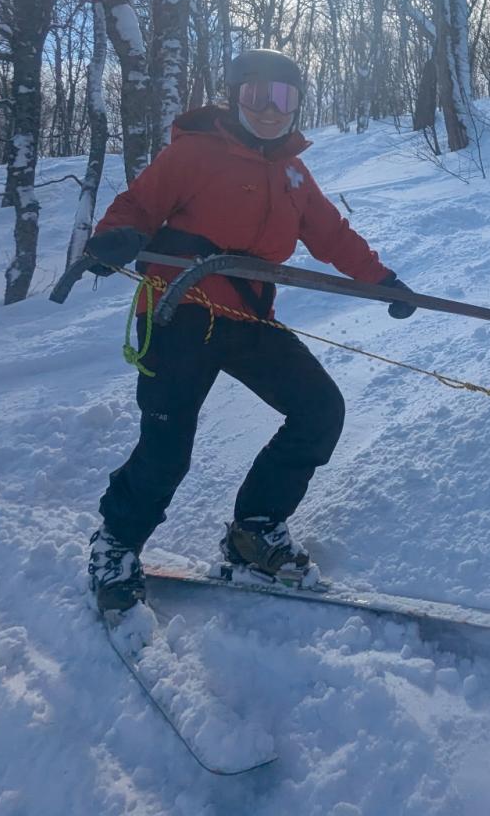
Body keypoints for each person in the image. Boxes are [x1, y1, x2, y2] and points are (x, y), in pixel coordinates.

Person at [81, 48, 416, 614]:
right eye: (255, 95)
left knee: (319, 410)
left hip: (246, 318)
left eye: (283, 97)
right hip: (177, 314)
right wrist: (115, 235)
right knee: (167, 451)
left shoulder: (291, 171)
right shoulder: (194, 153)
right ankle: (115, 545)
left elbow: (330, 234)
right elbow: (138, 205)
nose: (269, 109)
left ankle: (254, 530)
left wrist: (381, 279)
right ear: (234, 97)